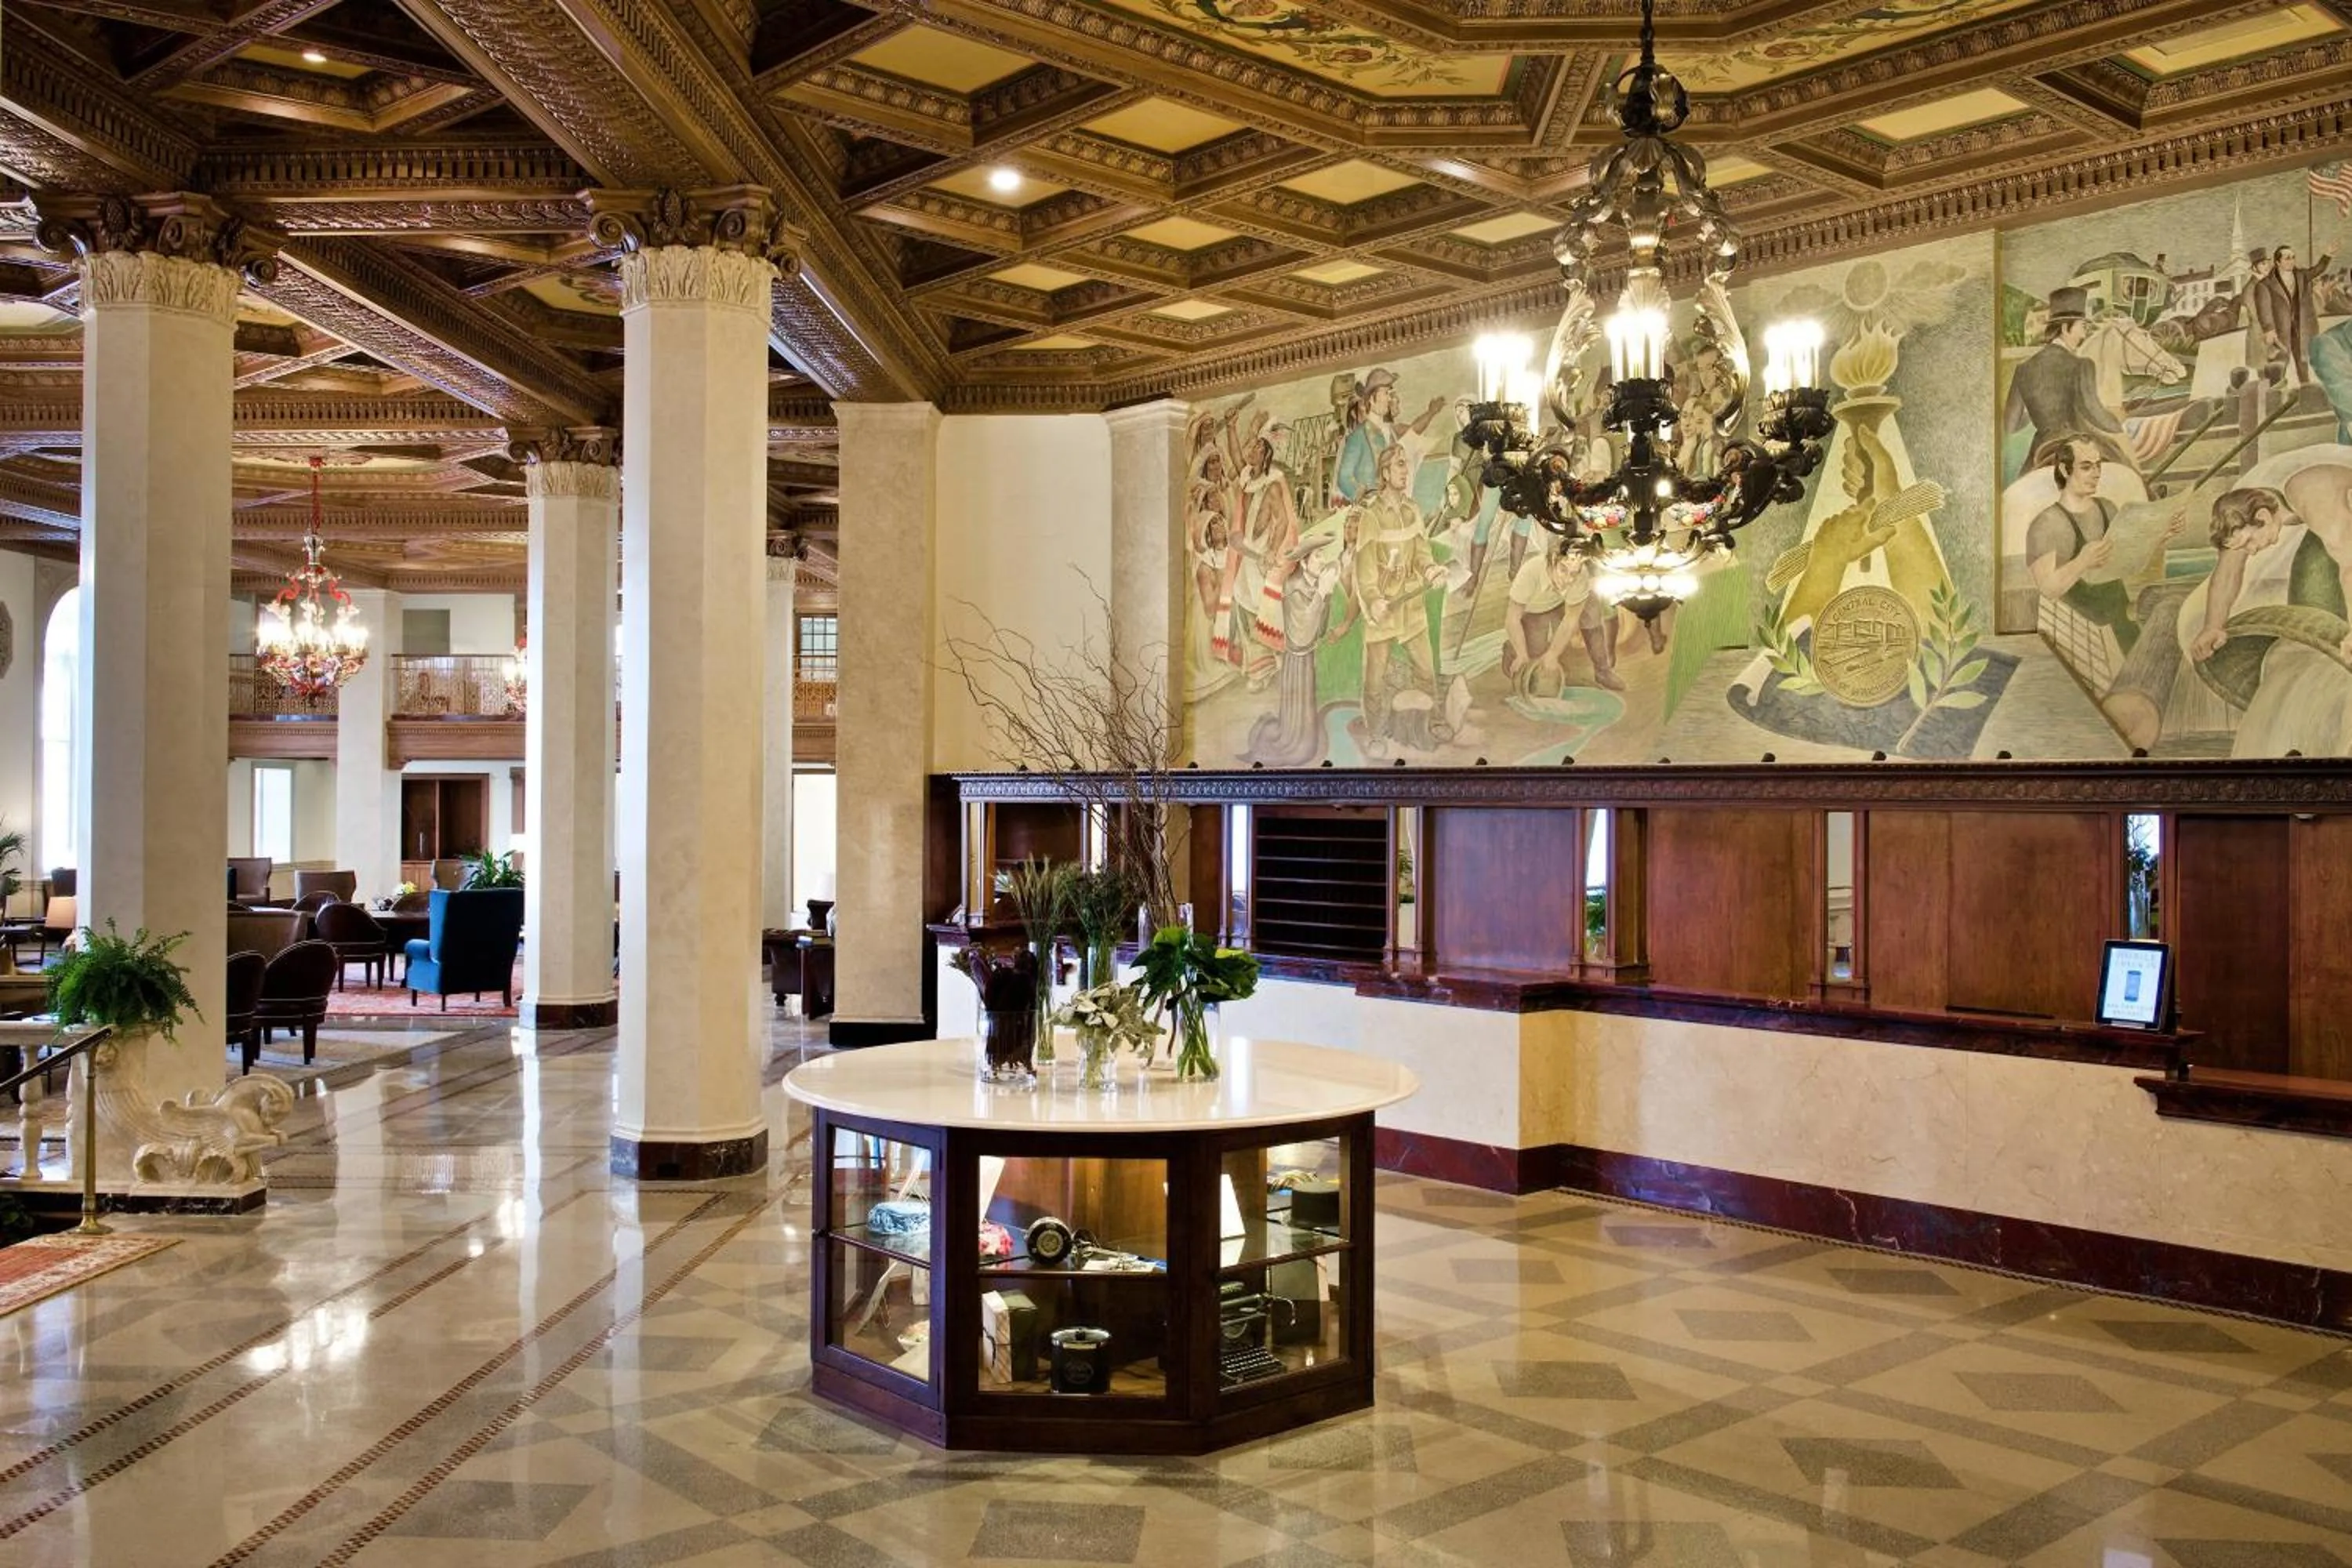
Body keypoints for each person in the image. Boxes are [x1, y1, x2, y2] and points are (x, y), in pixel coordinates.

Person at [2025, 434, 2181, 654]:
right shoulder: (2047, 524)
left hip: (2121, 622)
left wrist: (2159, 535)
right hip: (2079, 635)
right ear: (2063, 470)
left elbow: (2125, 557)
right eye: (2087, 467)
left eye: (2098, 466)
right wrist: (2082, 562)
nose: (2097, 474)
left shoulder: (2107, 508)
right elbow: (2048, 589)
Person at [1352, 443, 1447, 753]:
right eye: (1400, 465)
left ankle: (1433, 718)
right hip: (1385, 606)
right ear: (1385, 472)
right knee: (1376, 674)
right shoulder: (1371, 516)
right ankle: (1376, 731)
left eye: (1406, 465)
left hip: (1411, 603)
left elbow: (1421, 551)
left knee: (1425, 668)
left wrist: (1431, 569)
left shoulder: (1412, 510)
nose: (1406, 471)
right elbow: (1364, 566)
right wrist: (1374, 598)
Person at [2005, 287, 2132, 471]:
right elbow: (2093, 411)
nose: (2083, 335)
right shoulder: (2081, 365)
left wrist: (2037, 410)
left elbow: (2010, 426)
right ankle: (2148, 496)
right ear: (2065, 328)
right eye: (2082, 327)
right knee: (2125, 466)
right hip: (2076, 444)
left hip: (2040, 450)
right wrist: (2118, 423)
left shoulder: (2023, 369)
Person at [1503, 546, 1621, 692]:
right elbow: (1512, 618)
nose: (1568, 579)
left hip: (1563, 603)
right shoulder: (1530, 572)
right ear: (1553, 561)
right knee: (1534, 663)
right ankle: (1512, 649)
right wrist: (1521, 654)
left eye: (1573, 573)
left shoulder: (1580, 573)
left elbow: (1571, 620)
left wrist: (1553, 654)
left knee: (1591, 606)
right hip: (1535, 611)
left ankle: (1603, 671)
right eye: (1563, 570)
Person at [1334, 367, 1449, 503]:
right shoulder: (1358, 436)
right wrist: (1365, 500)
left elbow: (1413, 431)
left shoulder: (1391, 432)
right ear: (1371, 398)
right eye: (1386, 393)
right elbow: (1344, 477)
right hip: (1372, 513)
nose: (1389, 398)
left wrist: (1431, 413)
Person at [2255, 242, 2338, 389]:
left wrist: (2328, 255)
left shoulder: (2302, 275)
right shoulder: (2265, 285)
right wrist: (2269, 329)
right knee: (2279, 364)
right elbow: (2264, 309)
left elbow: (2318, 269)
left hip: (2302, 329)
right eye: (2287, 258)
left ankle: (2306, 389)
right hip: (2281, 332)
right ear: (2277, 262)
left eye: (2293, 257)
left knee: (2303, 362)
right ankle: (2274, 394)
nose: (2291, 261)